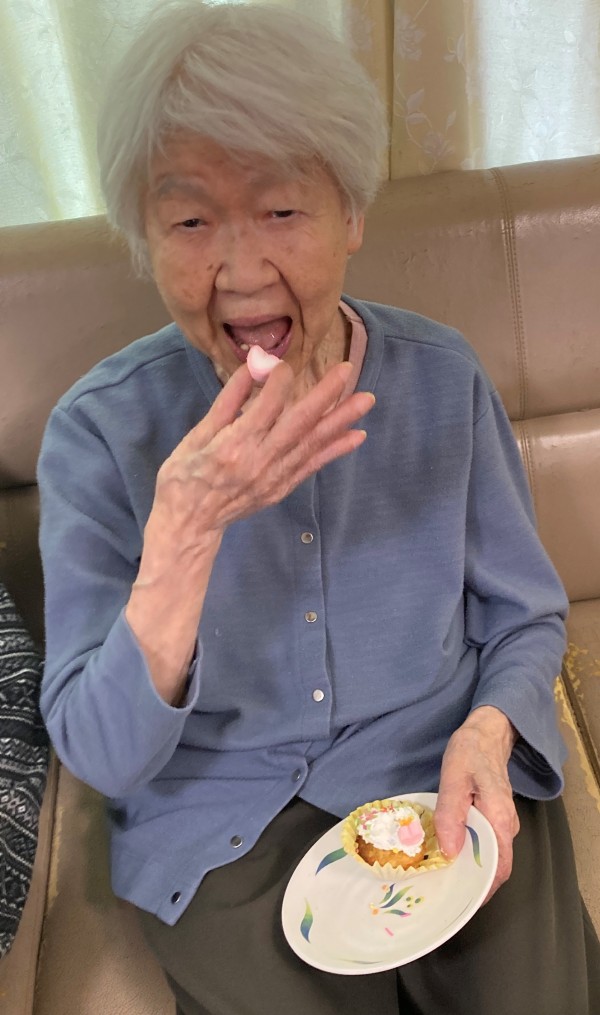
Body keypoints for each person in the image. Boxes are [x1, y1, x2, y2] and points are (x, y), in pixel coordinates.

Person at [37, 3, 600, 1014]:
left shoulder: (442, 377)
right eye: (191, 221)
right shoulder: (98, 434)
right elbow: (100, 755)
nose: (243, 270)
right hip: (221, 824)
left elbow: (524, 615)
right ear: (145, 239)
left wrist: (489, 729)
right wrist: (182, 541)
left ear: (352, 217)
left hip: (442, 772)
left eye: (283, 211)